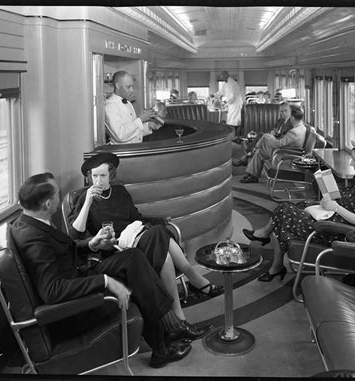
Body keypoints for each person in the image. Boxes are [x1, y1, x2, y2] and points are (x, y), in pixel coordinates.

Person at [11, 172, 196, 368]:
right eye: (57, 194)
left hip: (80, 274)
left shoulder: (33, 221)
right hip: (75, 308)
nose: (60, 195)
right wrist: (106, 281)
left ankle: (169, 331)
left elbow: (64, 252)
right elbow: (52, 291)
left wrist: (92, 244)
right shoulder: (33, 239)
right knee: (136, 276)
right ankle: (165, 340)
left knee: (133, 258)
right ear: (47, 204)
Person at [68, 153, 224, 321]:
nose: (98, 181)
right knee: (159, 236)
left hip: (137, 236)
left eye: (103, 176)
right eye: (94, 176)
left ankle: (179, 315)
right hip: (117, 249)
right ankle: (195, 281)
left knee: (160, 241)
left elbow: (137, 217)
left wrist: (160, 221)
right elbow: (75, 234)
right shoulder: (85, 198)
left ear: (111, 174)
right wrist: (87, 203)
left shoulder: (120, 191)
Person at [243, 141, 355, 282]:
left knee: (283, 211)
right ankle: (274, 260)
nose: (352, 164)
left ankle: (269, 248)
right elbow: (349, 201)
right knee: (286, 210)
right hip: (329, 216)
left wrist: (335, 207)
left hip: (334, 231)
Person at [240, 104, 306, 184]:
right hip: (284, 151)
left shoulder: (294, 132)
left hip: (283, 155)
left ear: (292, 117)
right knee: (260, 152)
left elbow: (278, 144)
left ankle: (251, 157)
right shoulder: (300, 128)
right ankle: (253, 176)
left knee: (264, 139)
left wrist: (269, 137)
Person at [105, 71, 162, 144]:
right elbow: (120, 135)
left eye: (132, 86)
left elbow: (132, 133)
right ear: (118, 85)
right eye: (128, 87)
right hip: (122, 152)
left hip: (135, 149)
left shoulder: (128, 103)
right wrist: (141, 119)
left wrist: (148, 126)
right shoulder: (110, 106)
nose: (132, 90)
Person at [233, 101, 294, 167]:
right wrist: (272, 132)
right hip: (274, 138)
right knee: (260, 134)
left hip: (279, 142)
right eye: (281, 111)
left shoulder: (291, 123)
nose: (283, 113)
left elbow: (286, 137)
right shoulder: (280, 120)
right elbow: (274, 130)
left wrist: (275, 135)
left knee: (261, 137)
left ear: (290, 111)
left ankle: (246, 155)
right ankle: (247, 154)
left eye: (285, 111)